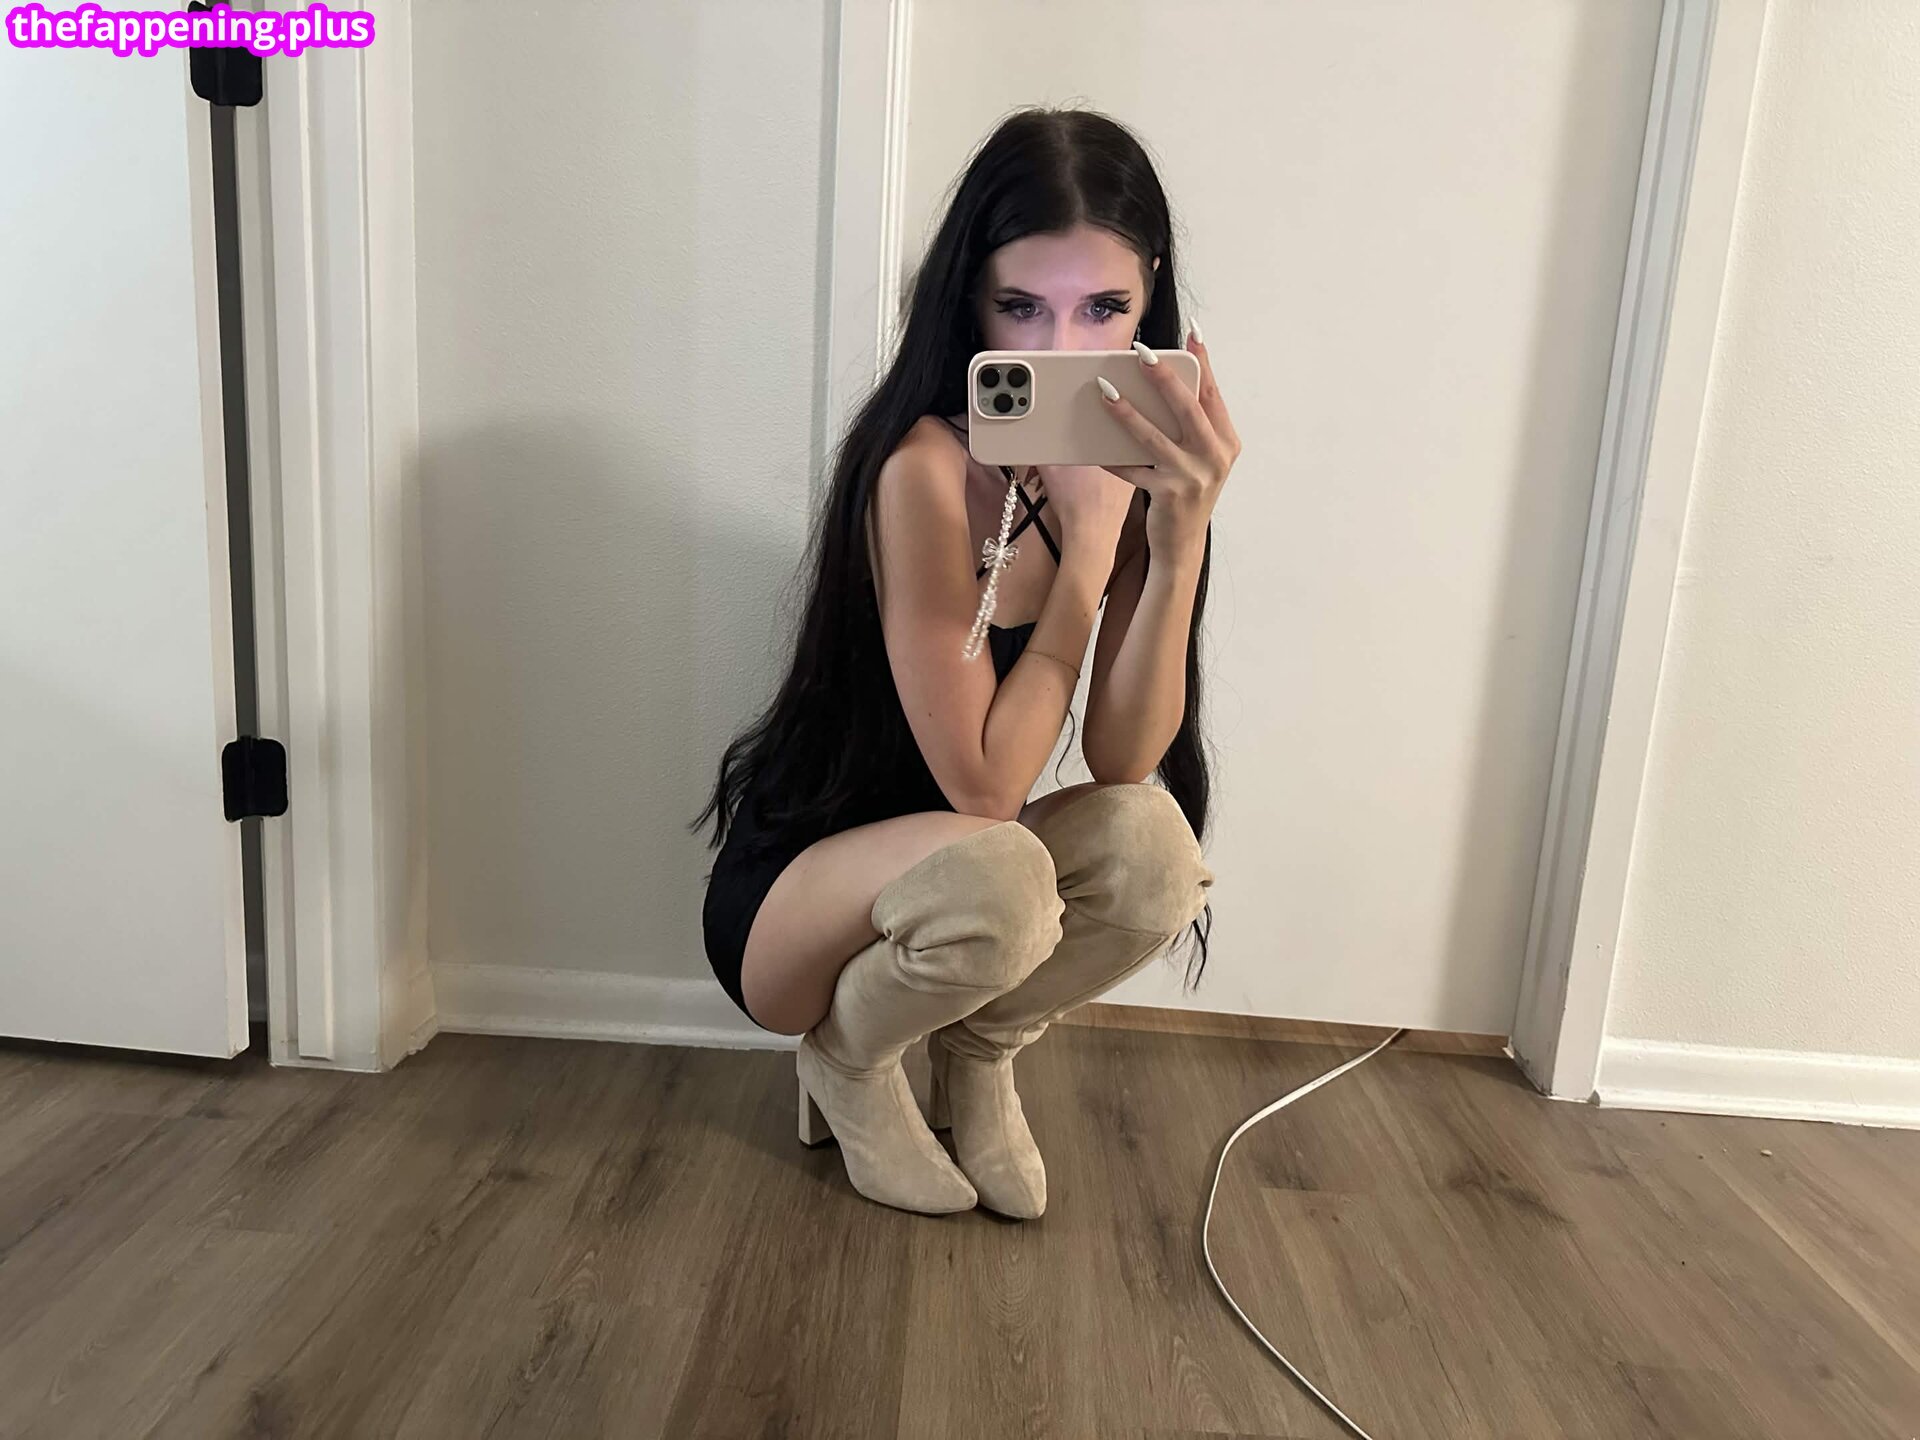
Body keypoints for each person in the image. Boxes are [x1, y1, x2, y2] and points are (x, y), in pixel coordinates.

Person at [690, 106, 1240, 1218]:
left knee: (1152, 853)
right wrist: (1086, 565)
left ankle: (978, 1051)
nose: (1061, 352)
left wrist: (1175, 543)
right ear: (970, 301)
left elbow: (1124, 759)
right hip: (803, 891)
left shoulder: (1135, 476)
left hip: (964, 876)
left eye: (1103, 310)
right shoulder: (926, 469)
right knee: (1002, 872)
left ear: (1150, 302)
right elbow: (984, 792)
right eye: (1021, 307)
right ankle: (847, 1060)